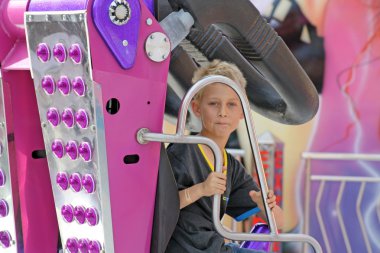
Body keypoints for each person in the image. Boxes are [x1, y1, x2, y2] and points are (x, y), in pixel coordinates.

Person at [165, 60, 284, 253]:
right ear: (196, 108)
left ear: (242, 111)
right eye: (213, 104)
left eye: (231, 105)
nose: (223, 113)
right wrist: (201, 189)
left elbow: (280, 222)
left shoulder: (231, 166)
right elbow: (160, 207)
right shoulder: (183, 152)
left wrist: (266, 206)